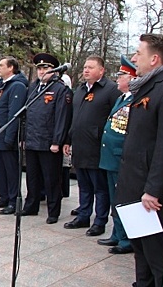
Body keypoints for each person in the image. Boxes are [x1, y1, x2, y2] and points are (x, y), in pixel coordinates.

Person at [116, 33, 163, 286]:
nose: (133, 58)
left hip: (151, 194)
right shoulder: (148, 85)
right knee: (140, 250)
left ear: (154, 58)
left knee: (156, 256)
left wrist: (153, 190)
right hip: (135, 183)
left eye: (138, 53)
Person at [63, 55, 120, 235]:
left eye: (90, 67)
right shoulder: (80, 90)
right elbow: (74, 118)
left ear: (101, 70)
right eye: (85, 67)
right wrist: (68, 139)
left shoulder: (111, 90)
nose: (86, 70)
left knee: (99, 187)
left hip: (97, 147)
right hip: (79, 144)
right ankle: (83, 215)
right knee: (84, 185)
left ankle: (100, 221)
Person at [21, 53, 72, 224]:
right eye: (39, 68)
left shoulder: (60, 89)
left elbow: (61, 118)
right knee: (32, 177)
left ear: (54, 70)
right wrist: (24, 138)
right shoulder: (34, 88)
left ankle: (53, 211)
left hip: (49, 142)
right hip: (33, 139)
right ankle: (31, 206)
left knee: (51, 179)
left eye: (46, 68)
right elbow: (27, 115)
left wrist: (57, 141)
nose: (41, 71)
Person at [97, 55, 136, 254]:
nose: (117, 79)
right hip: (111, 156)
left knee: (122, 199)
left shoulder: (134, 100)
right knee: (114, 198)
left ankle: (126, 239)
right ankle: (117, 234)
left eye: (121, 75)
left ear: (130, 78)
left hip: (120, 157)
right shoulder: (122, 98)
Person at [0, 57, 28, 214]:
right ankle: (4, 196)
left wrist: (10, 136)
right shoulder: (4, 86)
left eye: (1, 65)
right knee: (1, 169)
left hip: (6, 136)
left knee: (11, 170)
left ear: (11, 68)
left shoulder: (17, 86)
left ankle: (13, 200)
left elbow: (13, 114)